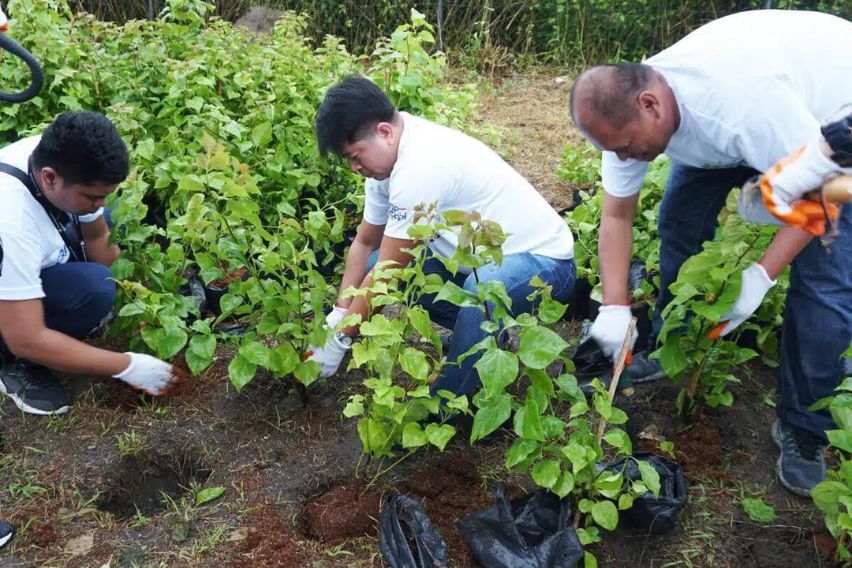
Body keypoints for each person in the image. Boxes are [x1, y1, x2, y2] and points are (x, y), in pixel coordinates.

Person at [569, 10, 852, 496]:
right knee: (680, 219)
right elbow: (616, 217)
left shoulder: (744, 108)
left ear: (651, 104)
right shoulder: (624, 117)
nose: (621, 158)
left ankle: (804, 429)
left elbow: (819, 202)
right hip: (734, 127)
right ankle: (676, 342)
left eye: (627, 147)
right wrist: (614, 308)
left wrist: (761, 277)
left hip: (831, 125)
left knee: (826, 283)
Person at [308, 76, 576, 398]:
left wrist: (341, 340)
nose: (354, 167)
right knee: (378, 261)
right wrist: (338, 314)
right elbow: (366, 243)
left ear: (384, 132)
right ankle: (482, 337)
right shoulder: (386, 165)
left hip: (544, 265)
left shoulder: (421, 164)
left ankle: (446, 407)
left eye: (355, 155)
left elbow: (390, 269)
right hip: (477, 263)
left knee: (481, 291)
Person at [0, 111, 176, 416]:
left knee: (109, 223)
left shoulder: (53, 159)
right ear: (50, 178)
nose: (100, 201)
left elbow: (98, 239)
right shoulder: (11, 219)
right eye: (94, 196)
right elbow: (26, 338)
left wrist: (137, 298)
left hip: (30, 248)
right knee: (93, 290)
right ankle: (9, 363)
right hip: (11, 303)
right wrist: (127, 365)